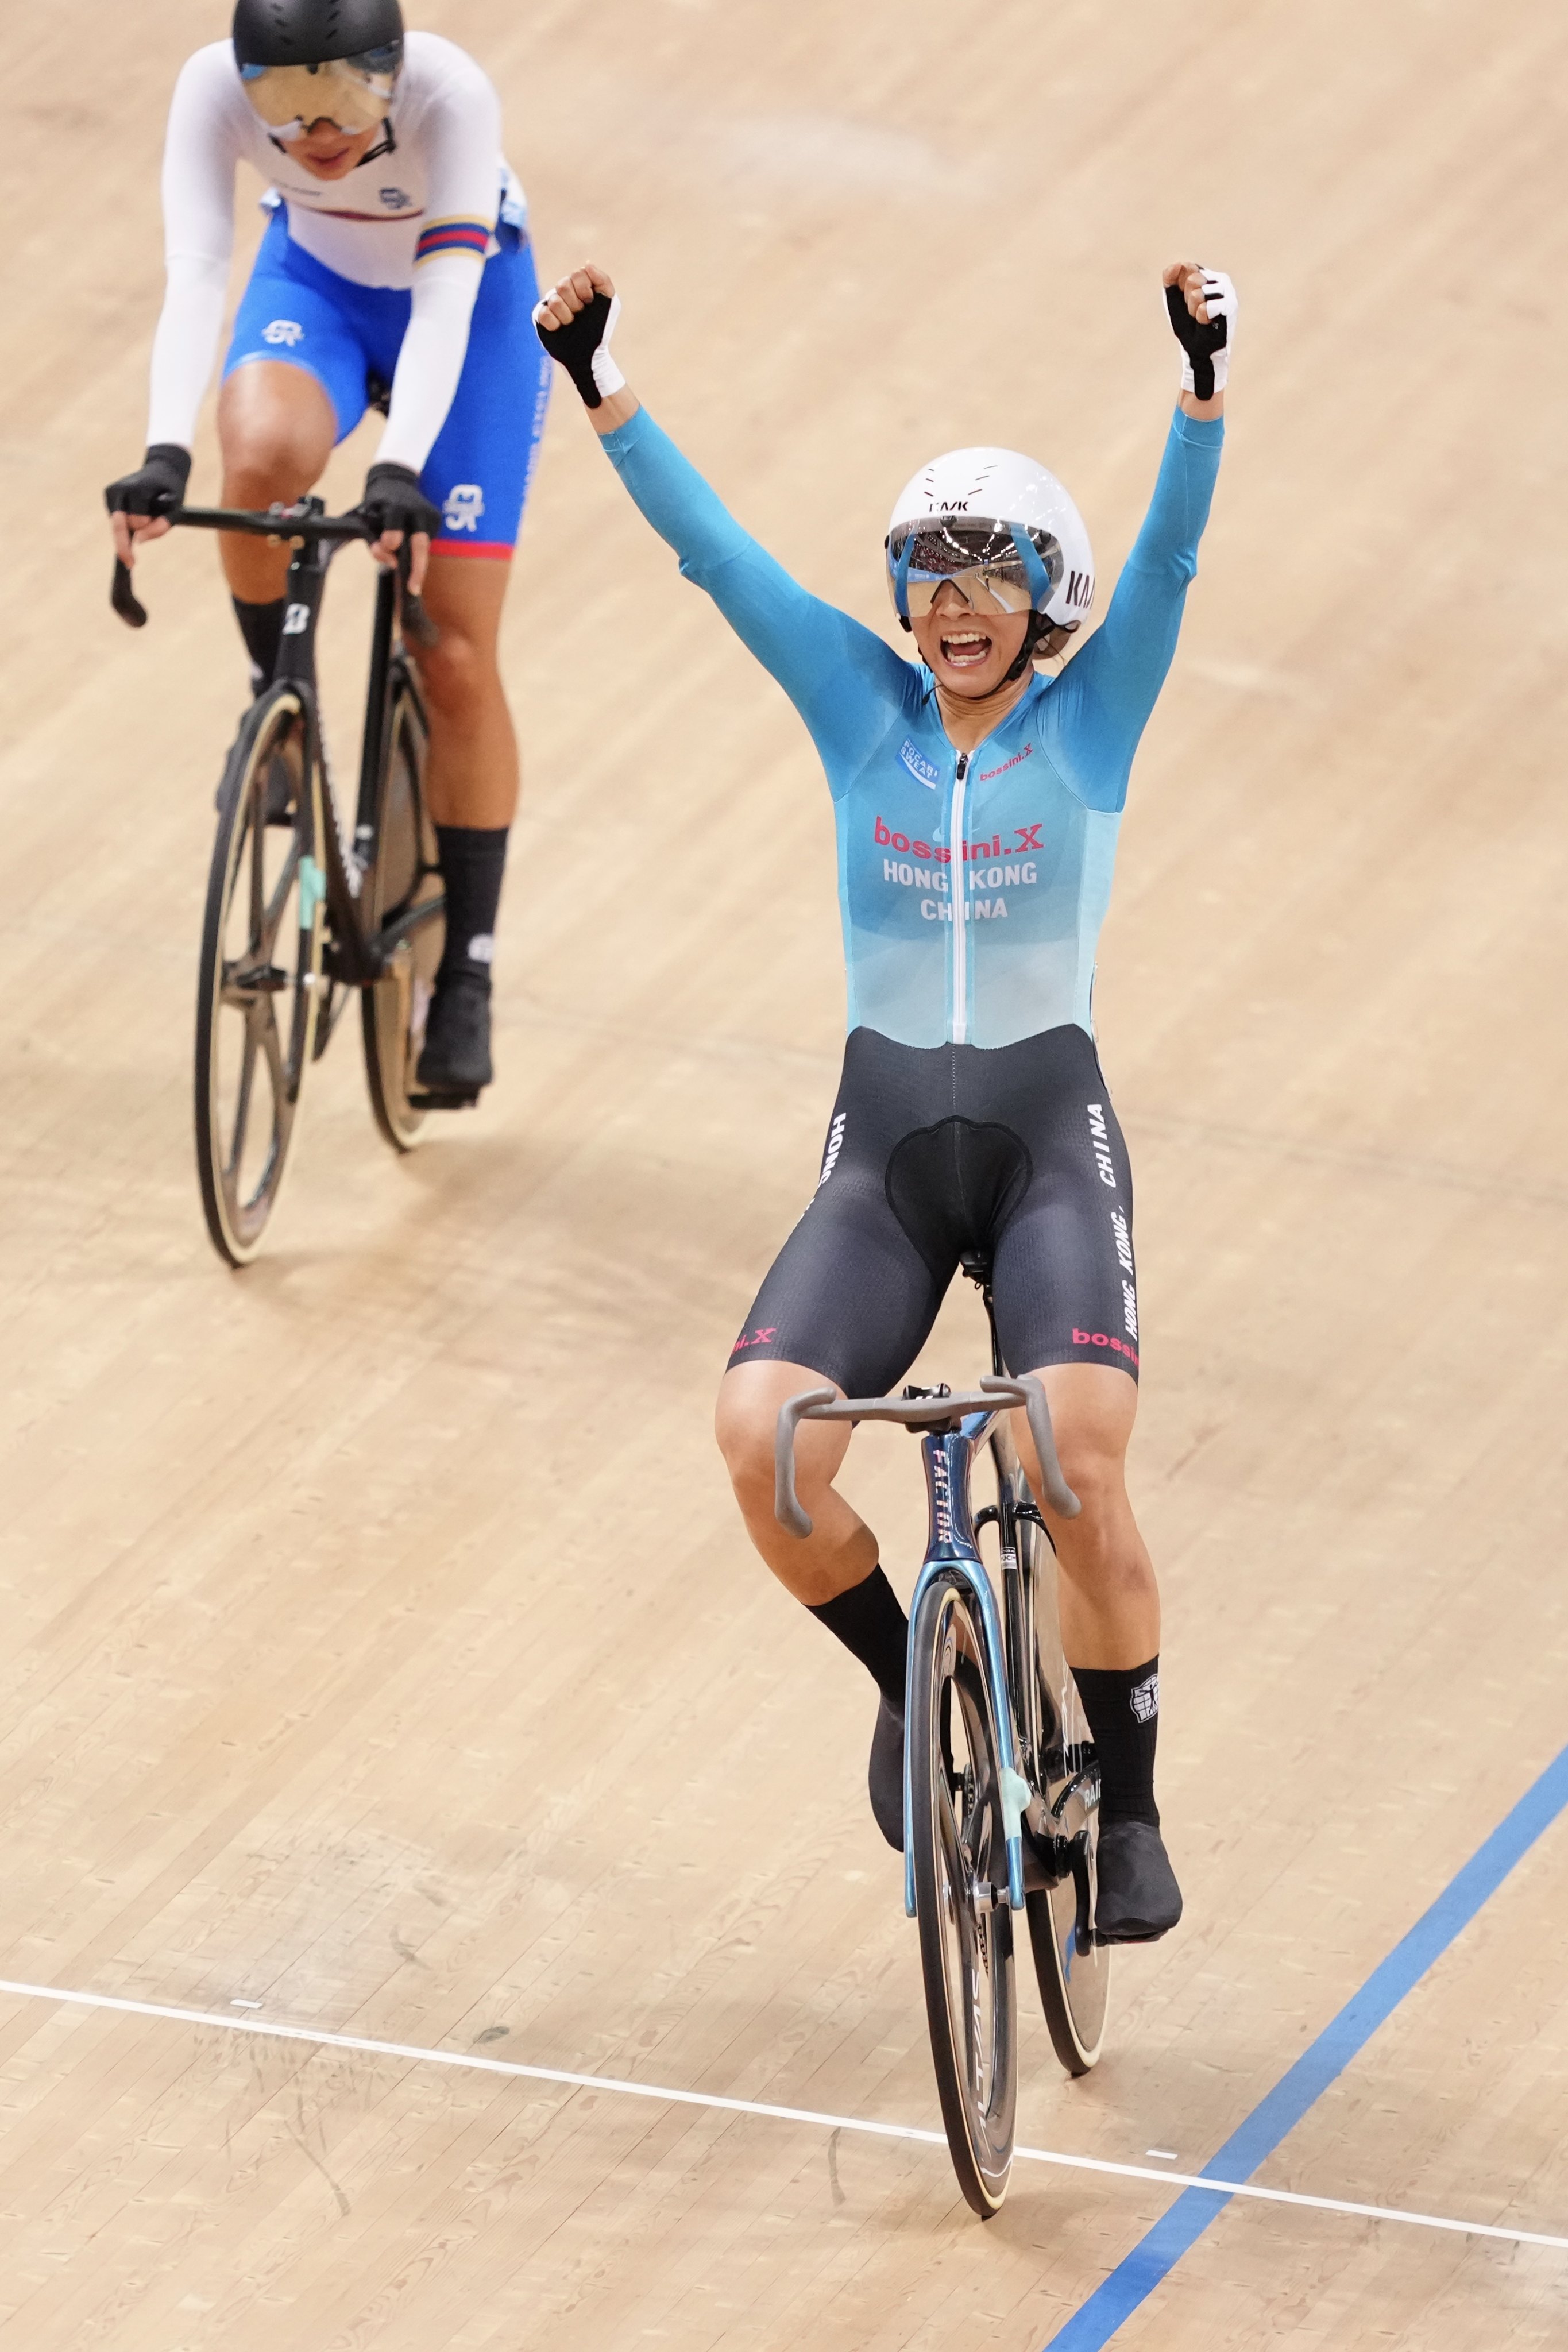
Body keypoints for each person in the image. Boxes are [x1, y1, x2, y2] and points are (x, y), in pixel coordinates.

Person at [534, 256, 1235, 1941]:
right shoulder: (858, 708)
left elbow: (1170, 559)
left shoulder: (1093, 719)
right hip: (891, 1160)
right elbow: (720, 562)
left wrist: (1203, 390)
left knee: (1073, 1466)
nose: (956, 601)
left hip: (1047, 1145)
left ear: (1045, 599)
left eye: (993, 574)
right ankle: (908, 1677)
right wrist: (602, 382)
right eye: (930, 572)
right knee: (762, 1449)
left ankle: (1129, 1817)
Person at [105, 0, 550, 1101]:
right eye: (285, 106)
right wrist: (166, 452)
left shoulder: (451, 91)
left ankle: (470, 979)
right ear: (245, 81)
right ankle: (281, 707)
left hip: (472, 311)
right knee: (255, 464)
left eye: (346, 100)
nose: (316, 133)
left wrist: (398, 469)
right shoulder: (207, 86)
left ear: (392, 76)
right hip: (318, 288)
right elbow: (198, 273)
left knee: (451, 655)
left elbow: (447, 294)